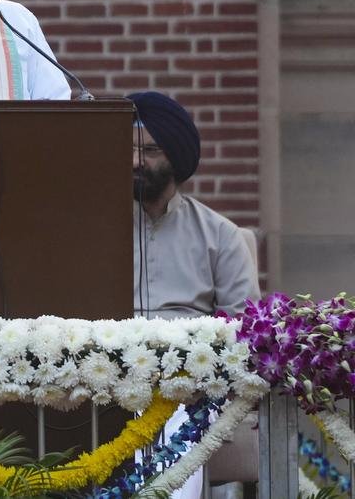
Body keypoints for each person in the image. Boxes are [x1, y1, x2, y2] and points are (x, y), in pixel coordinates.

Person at [129, 91, 260, 499]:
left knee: (174, 417)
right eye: (129, 149)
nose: (136, 161)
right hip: (113, 380)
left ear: (176, 156)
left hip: (191, 387)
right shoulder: (94, 230)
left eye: (150, 151)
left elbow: (247, 331)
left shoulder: (220, 236)